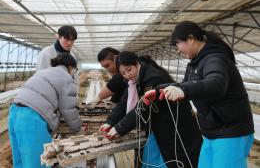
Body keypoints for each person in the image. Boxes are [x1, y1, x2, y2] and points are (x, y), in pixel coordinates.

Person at [144, 21, 254, 168]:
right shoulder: (195, 63)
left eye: (178, 44)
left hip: (231, 132)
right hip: (211, 131)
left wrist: (185, 91)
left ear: (191, 39)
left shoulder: (215, 59)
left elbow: (216, 84)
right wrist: (158, 90)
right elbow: (182, 85)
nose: (178, 50)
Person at [100, 51, 202, 168]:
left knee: (178, 158)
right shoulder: (133, 82)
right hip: (159, 125)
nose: (127, 75)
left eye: (129, 70)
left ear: (137, 63)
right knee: (155, 158)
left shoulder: (153, 78)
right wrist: (110, 122)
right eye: (123, 73)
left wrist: (119, 128)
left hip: (174, 124)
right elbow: (123, 103)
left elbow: (144, 108)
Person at [8, 53, 82, 168]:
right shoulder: (66, 77)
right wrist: (78, 128)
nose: (73, 73)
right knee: (39, 163)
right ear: (70, 67)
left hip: (14, 112)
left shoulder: (43, 72)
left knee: (21, 161)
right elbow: (69, 109)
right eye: (74, 70)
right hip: (31, 118)